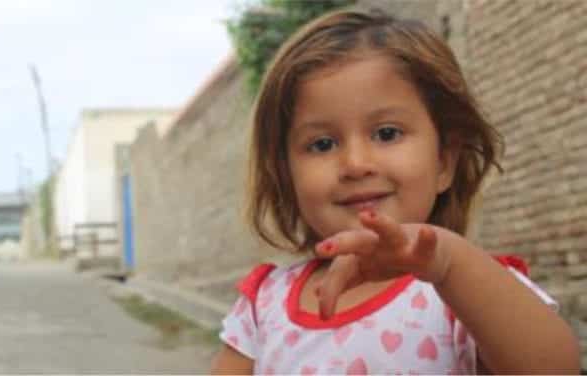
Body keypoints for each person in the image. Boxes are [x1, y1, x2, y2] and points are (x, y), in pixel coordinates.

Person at [210, 8, 580, 375]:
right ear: (285, 175)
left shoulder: (470, 291)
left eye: (387, 133)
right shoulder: (263, 306)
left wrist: (447, 264)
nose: (355, 164)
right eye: (322, 144)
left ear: (444, 163)